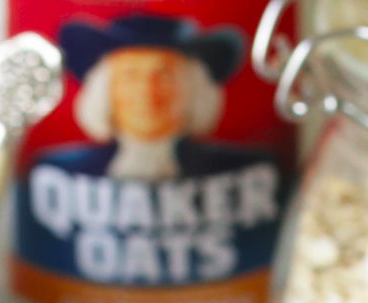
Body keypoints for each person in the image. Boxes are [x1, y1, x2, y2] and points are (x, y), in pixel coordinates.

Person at [55, 12, 247, 181]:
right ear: (105, 90)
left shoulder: (244, 172)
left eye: (164, 76)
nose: (147, 91)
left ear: (194, 89)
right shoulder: (60, 173)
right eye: (130, 76)